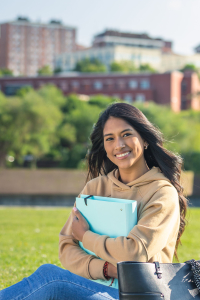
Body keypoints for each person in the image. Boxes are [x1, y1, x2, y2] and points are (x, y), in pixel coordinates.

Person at [0, 102, 187, 300]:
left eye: (126, 134)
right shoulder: (95, 188)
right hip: (93, 287)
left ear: (144, 139)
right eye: (110, 138)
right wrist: (106, 268)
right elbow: (67, 246)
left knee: (51, 279)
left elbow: (135, 253)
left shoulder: (162, 192)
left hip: (139, 295)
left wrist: (86, 236)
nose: (119, 145)